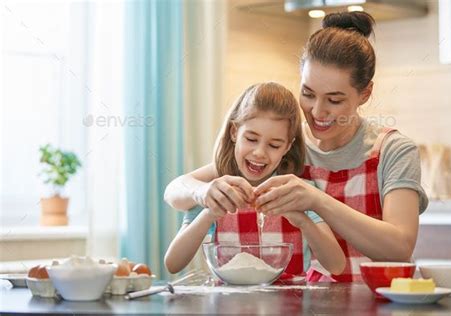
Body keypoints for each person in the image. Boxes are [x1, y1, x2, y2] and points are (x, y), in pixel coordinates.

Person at [164, 12, 428, 282]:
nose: (317, 111)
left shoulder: (393, 150)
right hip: (312, 305)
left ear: (365, 94)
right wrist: (203, 193)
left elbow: (398, 248)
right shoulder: (285, 146)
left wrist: (317, 201)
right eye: (308, 94)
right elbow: (176, 189)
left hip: (379, 302)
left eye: (334, 100)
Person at [164, 82, 346, 279]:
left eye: (274, 145)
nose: (259, 153)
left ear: (287, 147)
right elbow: (173, 264)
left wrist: (302, 220)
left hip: (293, 305)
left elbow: (336, 266)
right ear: (234, 132)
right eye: (251, 139)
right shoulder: (218, 190)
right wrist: (208, 213)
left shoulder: (298, 191)